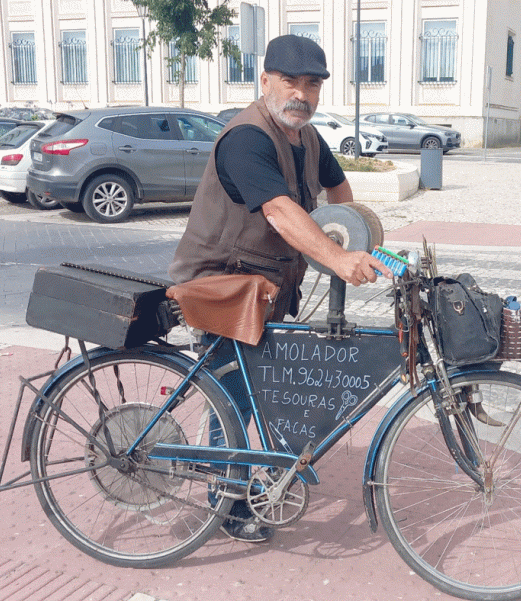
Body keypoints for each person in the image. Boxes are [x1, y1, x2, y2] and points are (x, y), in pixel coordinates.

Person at [169, 35, 390, 543]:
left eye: (312, 85)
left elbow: (337, 186)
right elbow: (278, 209)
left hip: (266, 287)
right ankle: (226, 500)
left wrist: (350, 231)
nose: (301, 94)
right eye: (290, 81)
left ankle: (247, 473)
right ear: (265, 80)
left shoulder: (306, 138)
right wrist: (336, 258)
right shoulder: (246, 138)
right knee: (233, 398)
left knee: (259, 389)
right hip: (223, 286)